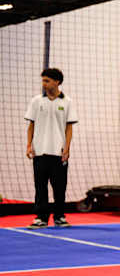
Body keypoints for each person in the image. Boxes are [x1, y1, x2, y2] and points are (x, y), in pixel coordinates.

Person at [25, 68, 76, 228]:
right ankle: (41, 217)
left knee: (60, 187)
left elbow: (69, 127)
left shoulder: (67, 102)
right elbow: (31, 125)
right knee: (40, 186)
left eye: (47, 81)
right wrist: (29, 145)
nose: (44, 84)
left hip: (59, 153)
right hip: (39, 152)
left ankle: (59, 216)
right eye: (43, 81)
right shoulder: (36, 101)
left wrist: (66, 148)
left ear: (57, 82)